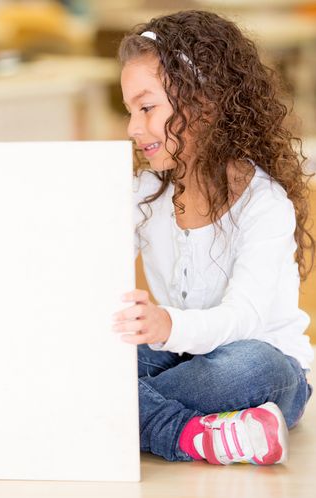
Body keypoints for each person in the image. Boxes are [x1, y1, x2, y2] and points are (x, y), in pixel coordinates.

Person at [112, 10, 315, 465]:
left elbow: (242, 318)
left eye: (147, 108)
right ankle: (196, 434)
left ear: (203, 102)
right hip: (181, 363)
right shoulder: (145, 195)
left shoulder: (265, 204)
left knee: (251, 363)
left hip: (266, 373)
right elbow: (91, 263)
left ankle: (102, 409)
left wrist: (168, 324)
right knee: (103, 350)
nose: (133, 128)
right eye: (130, 111)